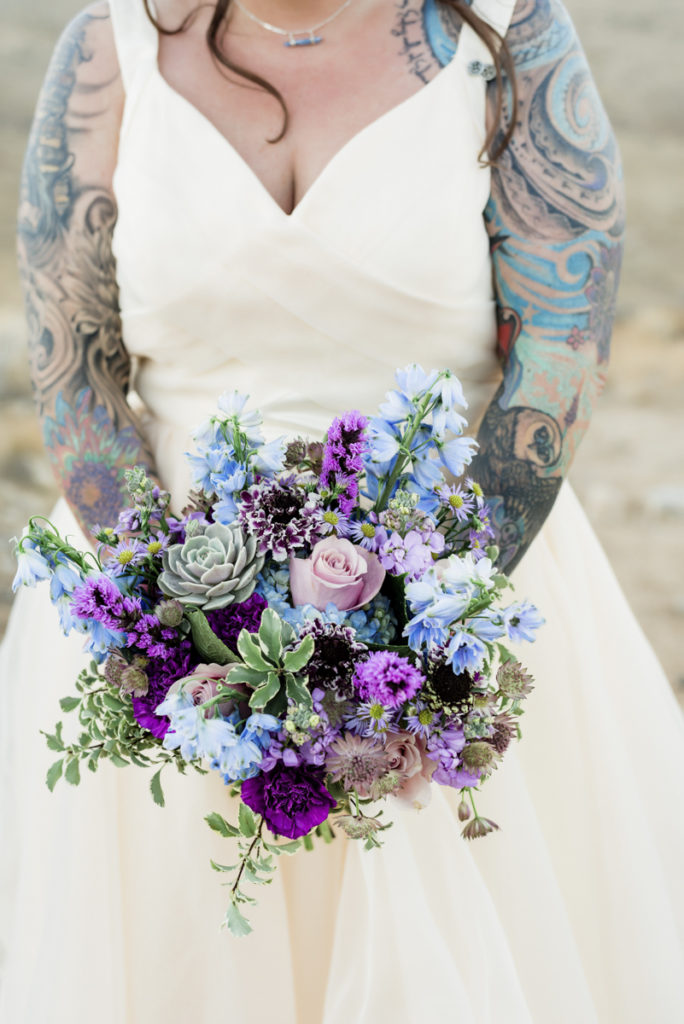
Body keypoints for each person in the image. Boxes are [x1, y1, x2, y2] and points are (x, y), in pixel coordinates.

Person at [1, 0, 682, 1019]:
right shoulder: (111, 48)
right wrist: (181, 625)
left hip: (462, 605)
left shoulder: (508, 34)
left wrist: (407, 632)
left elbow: (557, 355)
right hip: (169, 612)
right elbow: (74, 372)